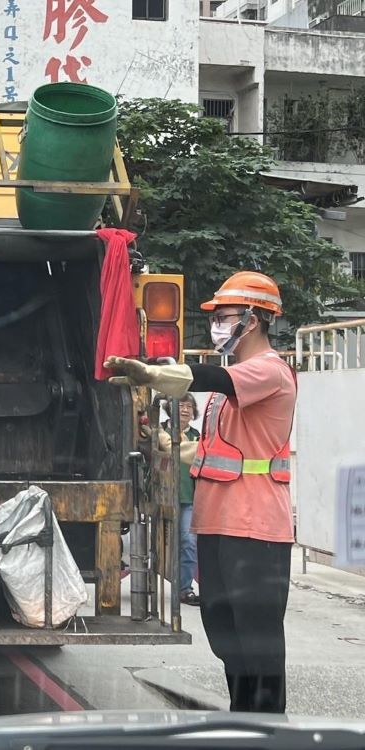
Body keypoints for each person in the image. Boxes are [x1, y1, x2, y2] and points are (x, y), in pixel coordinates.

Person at [105, 271, 296, 714]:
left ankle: (270, 731)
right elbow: (210, 450)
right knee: (225, 633)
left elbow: (206, 378)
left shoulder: (269, 372)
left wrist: (152, 372)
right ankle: (244, 722)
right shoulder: (235, 385)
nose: (218, 325)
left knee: (258, 644)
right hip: (218, 524)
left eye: (226, 316)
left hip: (255, 527)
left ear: (255, 319)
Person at [159, 394, 201, 606]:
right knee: (158, 545)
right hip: (162, 498)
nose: (185, 410)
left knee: (188, 542)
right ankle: (149, 585)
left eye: (189, 406)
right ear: (170, 408)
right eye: (181, 405)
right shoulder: (158, 432)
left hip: (188, 498)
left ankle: (184, 589)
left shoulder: (197, 436)